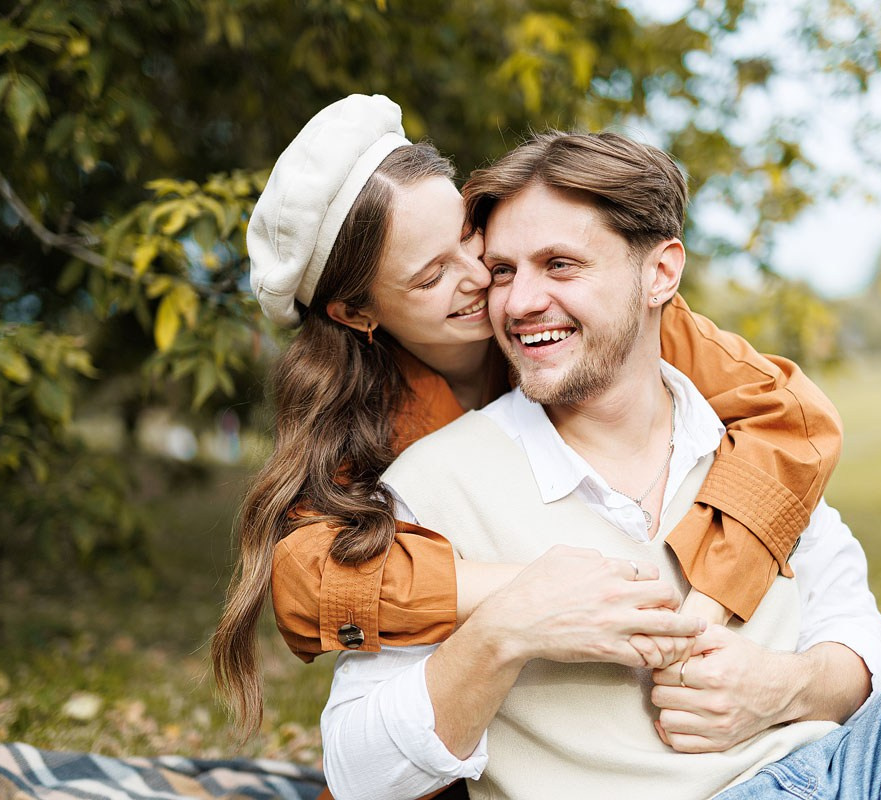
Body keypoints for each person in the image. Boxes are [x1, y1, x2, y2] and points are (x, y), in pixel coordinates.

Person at [318, 130, 881, 799]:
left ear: (660, 273)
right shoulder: (432, 486)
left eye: (560, 265)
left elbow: (864, 646)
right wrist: (505, 630)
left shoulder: (748, 443)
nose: (520, 301)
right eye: (502, 271)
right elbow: (358, 773)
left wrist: (786, 686)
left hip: (845, 773)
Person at [211, 95, 846, 748]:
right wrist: (538, 591)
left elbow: (790, 421)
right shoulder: (367, 425)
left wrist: (700, 609)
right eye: (431, 276)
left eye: (468, 237)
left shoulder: (605, 323)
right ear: (355, 314)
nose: (482, 279)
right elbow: (310, 583)